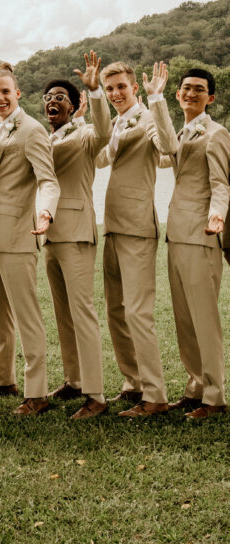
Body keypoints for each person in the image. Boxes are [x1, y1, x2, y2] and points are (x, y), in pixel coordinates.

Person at [96, 61, 178, 417]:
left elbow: (168, 145)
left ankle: (156, 395)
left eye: (121, 87)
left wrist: (157, 101)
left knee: (138, 312)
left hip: (137, 227)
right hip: (111, 226)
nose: (116, 94)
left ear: (133, 87)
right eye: (109, 88)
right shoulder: (115, 122)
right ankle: (133, 382)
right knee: (116, 311)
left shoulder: (146, 120)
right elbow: (99, 159)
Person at [0, 62, 60, 416]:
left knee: (26, 315)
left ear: (18, 93)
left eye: (5, 92)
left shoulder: (32, 130)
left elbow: (47, 180)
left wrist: (45, 211)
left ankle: (37, 393)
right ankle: (2, 378)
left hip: (18, 233)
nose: (0, 98)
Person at [157, 68, 230, 419]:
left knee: (204, 319)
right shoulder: (181, 132)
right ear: (177, 94)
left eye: (199, 89)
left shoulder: (216, 135)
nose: (190, 93)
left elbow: (222, 184)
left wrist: (217, 216)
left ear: (210, 98)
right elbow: (164, 150)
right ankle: (195, 387)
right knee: (184, 319)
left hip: (202, 236)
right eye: (185, 88)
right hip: (176, 234)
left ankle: (215, 398)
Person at [42, 51, 111, 419]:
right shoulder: (43, 138)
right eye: (49, 98)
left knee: (83, 312)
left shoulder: (85, 135)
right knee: (62, 313)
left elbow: (105, 132)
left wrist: (96, 91)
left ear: (73, 106)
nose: (54, 101)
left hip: (78, 233)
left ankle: (96, 395)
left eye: (60, 98)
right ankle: (74, 380)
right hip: (49, 236)